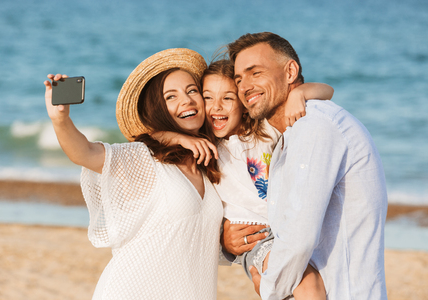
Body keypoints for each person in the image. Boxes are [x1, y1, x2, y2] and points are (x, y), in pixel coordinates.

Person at [44, 48, 224, 299]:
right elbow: (84, 153)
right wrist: (60, 120)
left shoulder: (211, 165)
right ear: (157, 109)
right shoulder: (144, 159)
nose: (186, 100)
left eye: (192, 90)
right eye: (170, 97)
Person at [223, 32, 388, 299]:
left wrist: (267, 286)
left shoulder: (314, 126)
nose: (244, 86)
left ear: (290, 72)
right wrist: (227, 239)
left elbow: (299, 240)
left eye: (255, 73)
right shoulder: (288, 135)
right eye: (239, 79)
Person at [153, 59, 333, 299]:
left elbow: (327, 91)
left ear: (243, 102)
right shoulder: (206, 149)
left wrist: (298, 93)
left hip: (293, 227)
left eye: (227, 98)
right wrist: (182, 139)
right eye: (207, 98)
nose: (216, 107)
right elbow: (149, 135)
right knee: (308, 285)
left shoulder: (266, 131)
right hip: (258, 239)